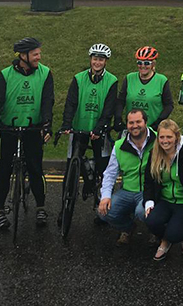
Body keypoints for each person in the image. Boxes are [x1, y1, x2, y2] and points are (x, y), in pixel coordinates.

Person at [0, 37, 54, 231]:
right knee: (4, 171)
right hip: (9, 129)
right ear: (23, 56)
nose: (39, 57)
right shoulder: (5, 75)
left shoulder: (45, 73)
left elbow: (47, 101)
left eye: (39, 53)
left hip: (33, 129)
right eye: (35, 54)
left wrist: (47, 124)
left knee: (35, 169)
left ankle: (40, 207)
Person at [61, 43, 118, 204]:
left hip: (100, 130)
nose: (97, 62)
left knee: (103, 168)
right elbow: (70, 103)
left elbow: (109, 109)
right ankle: (65, 204)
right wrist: (66, 124)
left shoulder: (112, 81)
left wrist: (99, 128)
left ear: (105, 61)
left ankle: (101, 203)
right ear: (90, 59)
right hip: (79, 128)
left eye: (101, 60)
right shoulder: (79, 78)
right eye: (95, 59)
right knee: (70, 169)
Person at [143, 119, 183, 261]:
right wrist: (149, 201)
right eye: (161, 137)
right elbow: (149, 182)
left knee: (175, 233)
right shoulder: (154, 153)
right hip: (165, 200)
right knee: (151, 221)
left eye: (169, 137)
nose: (165, 141)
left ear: (176, 136)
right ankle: (166, 238)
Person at [98, 108, 153, 245]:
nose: (135, 126)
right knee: (103, 212)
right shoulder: (119, 146)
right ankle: (128, 229)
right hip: (127, 190)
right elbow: (110, 173)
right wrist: (105, 196)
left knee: (143, 212)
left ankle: (156, 232)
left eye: (138, 121)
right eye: (131, 122)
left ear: (145, 122)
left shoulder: (158, 139)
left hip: (149, 191)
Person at [115, 46, 172, 136]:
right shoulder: (129, 78)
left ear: (153, 64)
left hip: (152, 129)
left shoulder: (161, 80)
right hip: (132, 128)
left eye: (146, 63)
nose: (143, 66)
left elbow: (169, 105)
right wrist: (118, 118)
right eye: (139, 63)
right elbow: (121, 100)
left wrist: (158, 122)